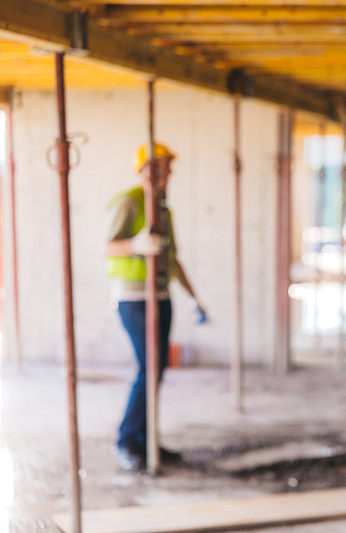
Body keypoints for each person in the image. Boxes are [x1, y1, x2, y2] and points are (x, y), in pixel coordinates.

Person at [105, 142, 207, 471]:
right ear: (146, 169)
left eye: (169, 166)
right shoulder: (130, 203)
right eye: (163, 165)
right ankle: (127, 440)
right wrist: (135, 244)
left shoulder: (164, 210)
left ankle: (146, 439)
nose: (169, 172)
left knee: (157, 369)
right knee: (148, 367)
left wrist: (193, 297)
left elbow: (172, 259)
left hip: (161, 295)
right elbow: (107, 247)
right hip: (134, 298)